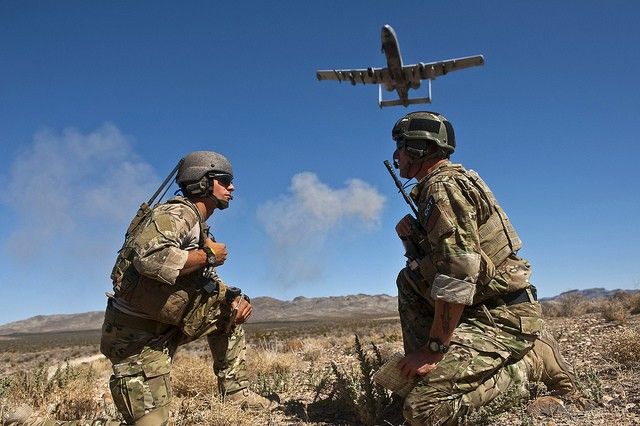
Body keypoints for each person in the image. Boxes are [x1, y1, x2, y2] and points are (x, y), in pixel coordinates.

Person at [6, 151, 275, 426]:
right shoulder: (176, 213)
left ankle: (235, 393)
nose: (232, 187)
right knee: (150, 423)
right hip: (137, 336)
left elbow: (202, 279)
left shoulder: (198, 226)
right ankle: (34, 423)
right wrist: (208, 255)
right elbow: (149, 259)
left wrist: (233, 299)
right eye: (224, 180)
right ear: (202, 182)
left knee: (229, 313)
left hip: (169, 323)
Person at [389, 112, 575, 425]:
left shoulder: (443, 188)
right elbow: (440, 268)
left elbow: (459, 272)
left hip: (501, 318)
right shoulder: (440, 187)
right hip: (482, 312)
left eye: (402, 146)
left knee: (422, 410)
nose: (396, 155)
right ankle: (427, 372)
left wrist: (435, 349)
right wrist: (412, 246)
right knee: (408, 278)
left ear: (421, 148)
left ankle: (530, 364)